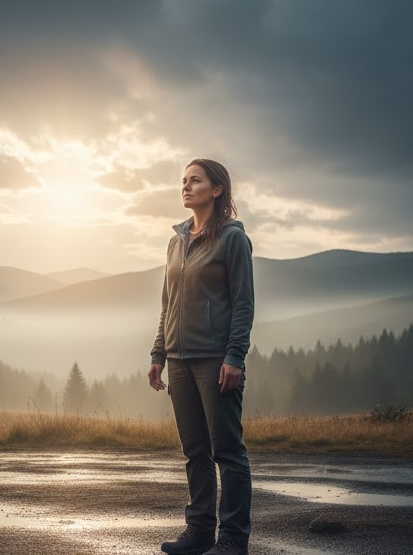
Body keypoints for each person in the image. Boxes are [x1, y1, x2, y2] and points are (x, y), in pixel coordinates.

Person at [148, 158, 255, 555]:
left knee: (226, 449)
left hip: (216, 360)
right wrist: (159, 352)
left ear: (217, 190)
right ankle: (199, 533)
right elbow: (167, 304)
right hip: (178, 359)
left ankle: (232, 539)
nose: (186, 186)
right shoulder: (176, 242)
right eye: (184, 181)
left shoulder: (232, 240)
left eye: (196, 180)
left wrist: (235, 357)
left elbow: (243, 305)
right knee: (194, 450)